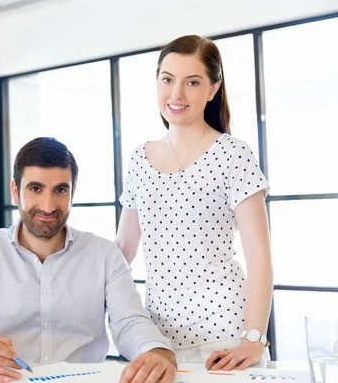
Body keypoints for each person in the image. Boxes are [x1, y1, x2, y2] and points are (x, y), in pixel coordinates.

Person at [0, 137, 177, 383]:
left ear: (72, 193)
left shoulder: (104, 255)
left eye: (60, 190)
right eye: (35, 189)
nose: (48, 205)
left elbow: (129, 322)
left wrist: (155, 350)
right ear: (15, 191)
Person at [115, 34, 273, 370]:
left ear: (213, 89)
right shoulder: (138, 160)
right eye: (168, 80)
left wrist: (253, 339)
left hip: (226, 335)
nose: (177, 94)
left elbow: (259, 256)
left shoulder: (233, 154)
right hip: (159, 341)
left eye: (193, 82)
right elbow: (123, 250)